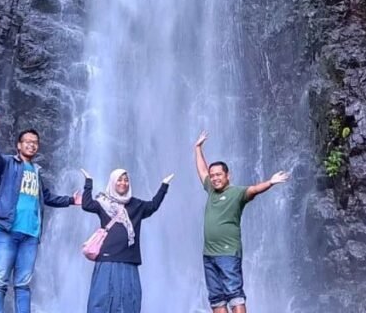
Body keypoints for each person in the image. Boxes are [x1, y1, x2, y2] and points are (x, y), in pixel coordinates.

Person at [0, 110, 81, 313]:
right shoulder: (9, 164)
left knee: (23, 285)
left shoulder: (37, 172)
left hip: (30, 235)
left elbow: (48, 197)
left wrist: (71, 200)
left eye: (35, 142)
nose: (31, 144)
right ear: (19, 145)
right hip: (6, 231)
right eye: (27, 141)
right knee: (0, 281)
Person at [194, 131, 290, 313]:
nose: (214, 178)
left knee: (234, 294)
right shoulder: (211, 189)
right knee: (216, 299)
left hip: (228, 253)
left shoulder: (236, 193)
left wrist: (271, 182)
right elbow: (202, 171)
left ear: (227, 175)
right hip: (209, 255)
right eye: (213, 175)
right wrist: (197, 148)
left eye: (218, 175)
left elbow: (253, 190)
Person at [80, 166, 174, 313]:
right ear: (112, 182)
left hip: (128, 260)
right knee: (102, 300)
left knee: (128, 302)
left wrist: (164, 185)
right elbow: (86, 205)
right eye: (119, 180)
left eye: (126, 180)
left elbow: (153, 205)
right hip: (107, 260)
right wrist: (88, 182)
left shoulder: (136, 204)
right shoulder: (103, 202)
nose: (123, 183)